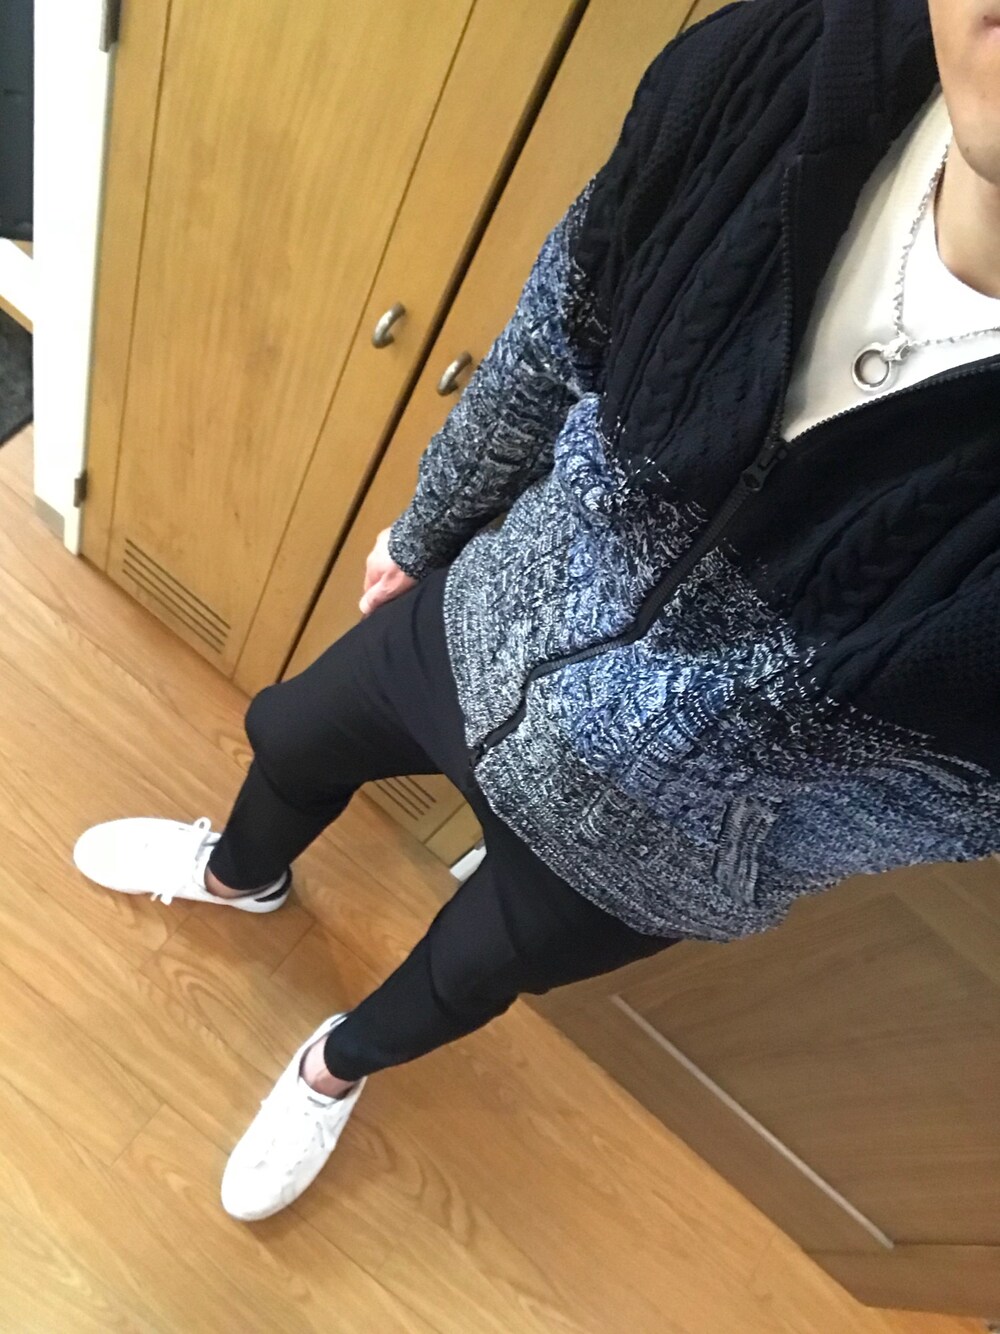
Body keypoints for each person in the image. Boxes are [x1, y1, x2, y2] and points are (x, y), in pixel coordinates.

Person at [74, 0, 1000, 1223]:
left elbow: (969, 800)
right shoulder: (773, 64)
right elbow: (557, 334)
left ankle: (330, 1068)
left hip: (661, 841)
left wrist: (737, 844)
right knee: (290, 733)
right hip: (491, 612)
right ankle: (238, 875)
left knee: (462, 978)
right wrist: (429, 529)